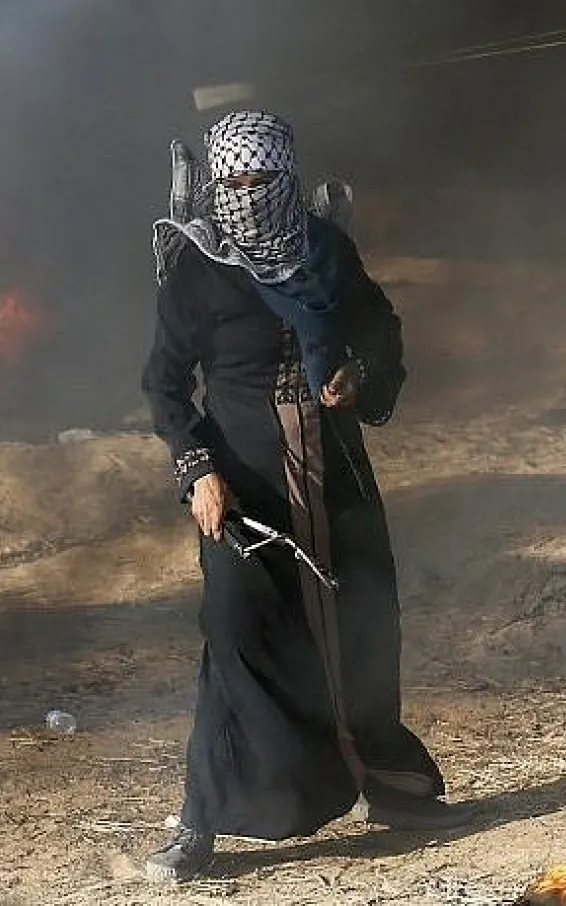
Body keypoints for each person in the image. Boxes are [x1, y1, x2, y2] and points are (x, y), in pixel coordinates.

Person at [140, 110, 465, 883]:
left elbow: (379, 326)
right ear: (219, 185)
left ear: (286, 179)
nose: (249, 193)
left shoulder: (325, 251)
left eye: (262, 179)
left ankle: (389, 781)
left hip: (336, 475)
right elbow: (163, 382)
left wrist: (358, 372)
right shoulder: (200, 269)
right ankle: (200, 821)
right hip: (246, 485)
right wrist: (197, 469)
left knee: (363, 622)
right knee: (237, 638)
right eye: (236, 181)